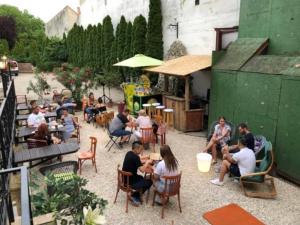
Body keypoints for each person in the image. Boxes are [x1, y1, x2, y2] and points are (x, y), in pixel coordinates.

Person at [122, 141, 153, 205]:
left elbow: (138, 160)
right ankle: (135, 196)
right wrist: (147, 162)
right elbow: (142, 170)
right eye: (141, 149)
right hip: (130, 182)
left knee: (141, 177)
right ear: (136, 149)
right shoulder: (136, 157)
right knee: (149, 181)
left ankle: (135, 193)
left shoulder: (129, 153)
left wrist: (146, 159)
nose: (141, 151)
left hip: (124, 178)